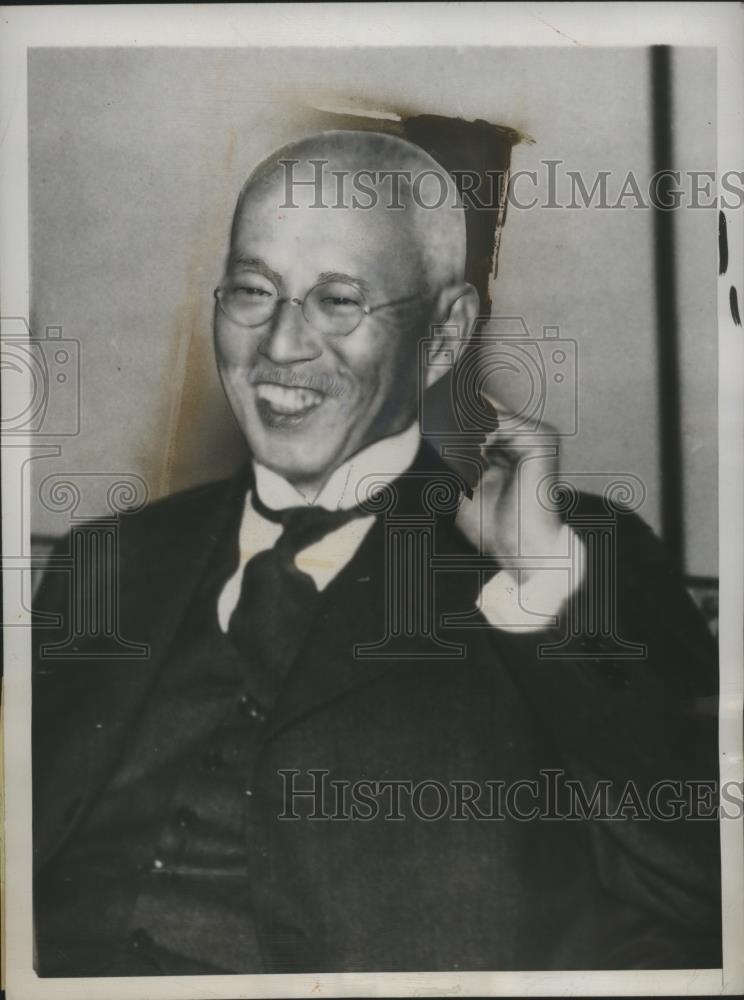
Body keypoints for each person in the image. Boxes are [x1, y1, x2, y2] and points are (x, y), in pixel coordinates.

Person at [32, 131, 721, 976]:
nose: (281, 347)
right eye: (253, 290)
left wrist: (541, 597)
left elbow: (708, 894)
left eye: (338, 301)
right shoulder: (107, 559)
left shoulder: (570, 562)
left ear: (446, 330)